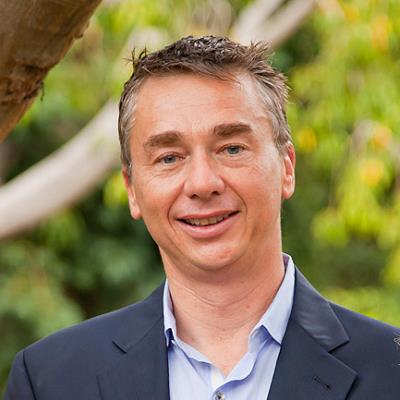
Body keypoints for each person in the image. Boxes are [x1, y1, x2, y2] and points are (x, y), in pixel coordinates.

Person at [4, 35, 400, 400]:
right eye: (169, 157)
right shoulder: (50, 381)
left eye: (231, 148)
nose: (202, 183)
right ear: (132, 190)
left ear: (286, 167)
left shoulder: (391, 370)